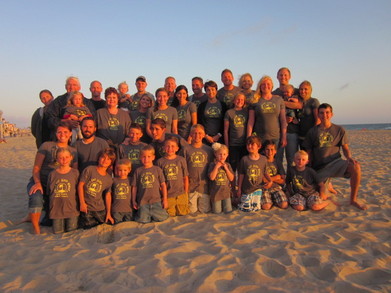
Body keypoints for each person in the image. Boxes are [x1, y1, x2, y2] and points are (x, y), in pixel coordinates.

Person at [303, 103, 365, 210]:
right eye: (321, 113)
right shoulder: (312, 131)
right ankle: (327, 189)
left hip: (336, 163)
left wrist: (349, 157)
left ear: (332, 114)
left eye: (327, 112)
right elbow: (309, 152)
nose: (324, 115)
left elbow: (345, 148)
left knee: (356, 167)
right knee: (314, 193)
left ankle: (353, 199)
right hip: (320, 167)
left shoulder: (339, 130)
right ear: (318, 115)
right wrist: (308, 168)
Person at [26, 122, 77, 234]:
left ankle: (32, 216)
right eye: (59, 132)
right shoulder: (46, 146)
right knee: (36, 197)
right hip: (42, 181)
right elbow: (36, 167)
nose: (62, 134)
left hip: (58, 186)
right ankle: (35, 227)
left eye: (65, 132)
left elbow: (74, 172)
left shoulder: (73, 151)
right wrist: (38, 182)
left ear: (70, 134)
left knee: (49, 221)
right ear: (55, 133)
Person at [247, 75, 287, 165]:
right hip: (260, 138)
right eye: (263, 84)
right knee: (260, 163)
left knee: (276, 163)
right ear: (260, 86)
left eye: (268, 84)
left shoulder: (278, 100)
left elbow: (283, 120)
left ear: (272, 86)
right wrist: (248, 137)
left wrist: (284, 137)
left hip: (276, 137)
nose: (266, 86)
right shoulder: (255, 100)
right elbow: (251, 121)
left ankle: (276, 179)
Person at [78, 148, 115, 229]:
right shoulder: (89, 169)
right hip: (87, 207)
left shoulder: (109, 179)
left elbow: (108, 195)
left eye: (108, 159)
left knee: (105, 226)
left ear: (111, 162)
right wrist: (82, 203)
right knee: (89, 227)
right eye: (103, 157)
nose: (105, 160)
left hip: (100, 208)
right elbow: (80, 185)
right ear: (98, 158)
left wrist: (108, 213)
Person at [131, 145, 169, 223]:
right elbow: (134, 187)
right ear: (140, 157)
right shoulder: (138, 171)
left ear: (153, 157)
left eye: (149, 156)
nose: (146, 159)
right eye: (143, 157)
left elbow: (163, 185)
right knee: (143, 220)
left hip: (156, 201)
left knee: (162, 218)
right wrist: (133, 200)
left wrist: (164, 199)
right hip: (143, 201)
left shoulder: (157, 169)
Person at [47, 147, 79, 234]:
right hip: (56, 210)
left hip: (72, 209)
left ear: (71, 158)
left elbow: (79, 190)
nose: (64, 160)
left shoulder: (75, 173)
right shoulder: (52, 174)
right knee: (58, 232)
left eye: (66, 157)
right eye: (61, 157)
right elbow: (49, 192)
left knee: (71, 232)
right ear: (57, 159)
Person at [183, 124, 214, 214]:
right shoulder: (185, 149)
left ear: (204, 135)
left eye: (200, 133)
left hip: (204, 187)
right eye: (194, 133)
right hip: (191, 187)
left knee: (204, 210)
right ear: (191, 135)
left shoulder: (208, 150)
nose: (197, 136)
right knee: (191, 210)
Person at [237, 136, 272, 212]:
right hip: (247, 189)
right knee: (246, 208)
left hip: (258, 188)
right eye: (248, 144)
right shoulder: (244, 159)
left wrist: (270, 180)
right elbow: (241, 175)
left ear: (259, 146)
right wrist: (239, 189)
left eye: (252, 144)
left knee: (256, 208)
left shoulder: (263, 159)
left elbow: (265, 172)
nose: (249, 146)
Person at [157, 137, 190, 217]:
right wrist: (163, 195)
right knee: (170, 214)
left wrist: (186, 192)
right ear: (164, 148)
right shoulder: (160, 162)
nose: (170, 148)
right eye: (167, 146)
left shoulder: (181, 160)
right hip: (169, 194)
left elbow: (185, 177)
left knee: (183, 213)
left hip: (181, 193)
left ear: (177, 148)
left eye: (172, 146)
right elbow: (159, 181)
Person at [224, 92, 248, 173]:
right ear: (234, 101)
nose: (239, 101)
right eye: (238, 99)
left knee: (243, 168)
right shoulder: (229, 112)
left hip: (244, 144)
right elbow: (226, 130)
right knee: (232, 167)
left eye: (242, 100)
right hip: (233, 144)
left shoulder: (246, 112)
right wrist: (227, 145)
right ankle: (233, 185)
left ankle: (241, 185)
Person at [197, 80, 227, 145]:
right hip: (205, 139)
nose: (211, 92)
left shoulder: (223, 105)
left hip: (220, 138)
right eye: (208, 90)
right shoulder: (202, 106)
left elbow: (225, 122)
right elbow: (199, 122)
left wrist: (219, 135)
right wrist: (206, 136)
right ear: (205, 92)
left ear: (216, 91)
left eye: (213, 89)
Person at [208, 143, 234, 214]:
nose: (222, 156)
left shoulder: (228, 165)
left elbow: (231, 179)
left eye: (224, 154)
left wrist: (226, 168)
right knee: (217, 211)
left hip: (226, 193)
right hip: (216, 193)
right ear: (215, 154)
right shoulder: (212, 165)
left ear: (227, 155)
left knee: (228, 210)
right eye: (220, 154)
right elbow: (212, 178)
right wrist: (216, 167)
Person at [262, 140, 288, 210]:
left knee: (284, 205)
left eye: (272, 149)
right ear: (264, 151)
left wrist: (270, 180)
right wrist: (276, 177)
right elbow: (263, 180)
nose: (270, 152)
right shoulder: (261, 161)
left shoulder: (278, 162)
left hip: (276, 187)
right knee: (266, 207)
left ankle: (274, 200)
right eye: (267, 150)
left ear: (275, 151)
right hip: (265, 188)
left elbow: (283, 181)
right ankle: (270, 200)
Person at [281, 84, 301, 167]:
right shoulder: (279, 96)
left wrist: (290, 99)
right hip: (281, 132)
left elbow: (299, 104)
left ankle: (291, 177)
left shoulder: (295, 96)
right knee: (278, 158)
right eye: (284, 92)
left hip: (292, 132)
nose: (286, 93)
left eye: (287, 92)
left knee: (292, 159)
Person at [297, 80, 320, 149]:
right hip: (301, 136)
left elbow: (318, 119)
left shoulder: (314, 101)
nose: (303, 91)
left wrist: (313, 134)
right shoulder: (298, 102)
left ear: (310, 90)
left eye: (305, 89)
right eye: (301, 89)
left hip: (311, 136)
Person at [110, 158, 133, 223]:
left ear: (129, 170)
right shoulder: (113, 180)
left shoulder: (131, 180)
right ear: (116, 170)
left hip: (128, 209)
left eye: (125, 170)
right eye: (120, 170)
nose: (122, 172)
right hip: (116, 210)